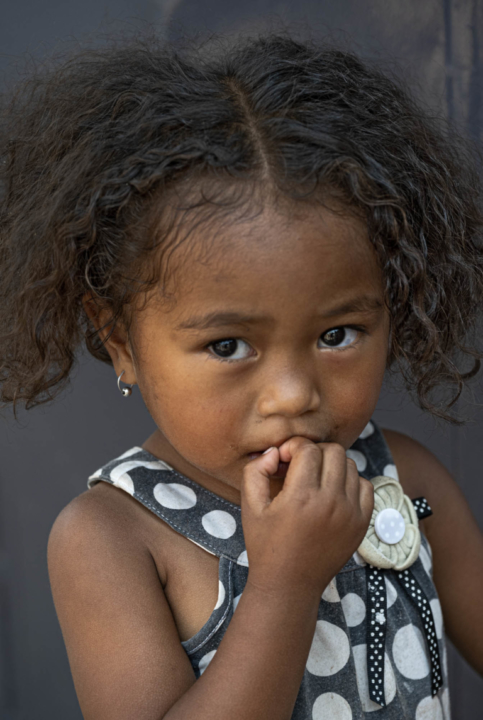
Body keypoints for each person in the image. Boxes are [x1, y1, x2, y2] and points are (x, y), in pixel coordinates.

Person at [1, 24, 483, 720]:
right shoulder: (110, 538)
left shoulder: (403, 479)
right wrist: (286, 585)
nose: (293, 395)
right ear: (120, 341)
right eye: (228, 346)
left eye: (337, 335)